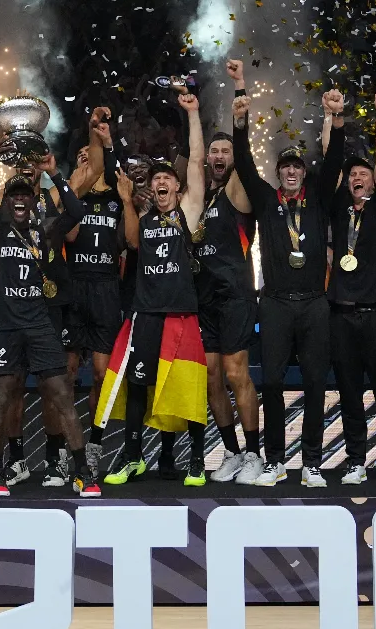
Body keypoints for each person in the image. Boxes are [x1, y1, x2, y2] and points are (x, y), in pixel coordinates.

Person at [0, 152, 99, 497]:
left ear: (33, 200)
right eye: (13, 194)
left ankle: (82, 472)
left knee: (62, 394)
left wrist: (55, 173)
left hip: (40, 325)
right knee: (2, 398)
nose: (19, 199)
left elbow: (76, 212)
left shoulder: (46, 232)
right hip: (3, 326)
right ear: (6, 202)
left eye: (25, 194)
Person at [96, 90, 210, 486]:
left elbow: (195, 161)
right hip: (145, 315)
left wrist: (192, 113)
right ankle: (133, 458)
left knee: (188, 389)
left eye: (167, 178)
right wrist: (125, 195)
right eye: (157, 178)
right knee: (138, 386)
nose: (161, 181)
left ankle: (197, 460)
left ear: (177, 187)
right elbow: (130, 242)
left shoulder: (188, 212)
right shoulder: (143, 218)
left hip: (180, 314)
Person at [228, 82, 335, 487]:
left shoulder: (318, 200)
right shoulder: (266, 200)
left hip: (314, 303)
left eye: (297, 167)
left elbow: (334, 161)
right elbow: (243, 163)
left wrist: (335, 119)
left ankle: (311, 463)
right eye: (285, 167)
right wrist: (240, 121)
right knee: (271, 381)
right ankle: (274, 460)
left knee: (314, 383)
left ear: (304, 173)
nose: (291, 172)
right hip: (273, 303)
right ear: (278, 173)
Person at [317, 91, 376, 487]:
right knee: (349, 393)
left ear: (373, 180)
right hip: (341, 314)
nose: (357, 177)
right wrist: (329, 116)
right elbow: (330, 157)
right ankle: (356, 461)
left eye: (363, 173)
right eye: (352, 174)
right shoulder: (338, 207)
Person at [193, 62, 262, 484]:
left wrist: (239, 90)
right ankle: (233, 453)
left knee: (237, 374)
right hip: (205, 299)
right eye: (214, 152)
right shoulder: (202, 199)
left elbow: (243, 147)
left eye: (225, 152)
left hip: (235, 294)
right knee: (211, 377)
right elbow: (193, 158)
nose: (219, 156)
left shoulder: (238, 190)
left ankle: (254, 454)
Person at [62, 112, 132, 482]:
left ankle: (94, 445)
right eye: (81, 159)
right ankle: (65, 449)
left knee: (103, 375)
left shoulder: (118, 197)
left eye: (93, 159)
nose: (88, 163)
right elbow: (70, 236)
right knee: (67, 373)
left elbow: (130, 241)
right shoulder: (70, 197)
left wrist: (103, 139)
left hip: (106, 289)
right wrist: (75, 187)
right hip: (74, 287)